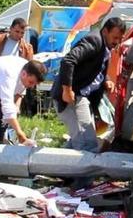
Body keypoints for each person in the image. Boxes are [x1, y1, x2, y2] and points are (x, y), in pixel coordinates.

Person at [51, 17, 126, 152]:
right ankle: (78, 170)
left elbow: (95, 67)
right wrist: (67, 90)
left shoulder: (104, 45)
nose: (117, 42)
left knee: (83, 140)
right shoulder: (95, 41)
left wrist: (106, 79)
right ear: (105, 31)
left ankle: (58, 165)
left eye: (120, 39)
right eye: (115, 37)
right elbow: (68, 61)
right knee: (85, 143)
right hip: (71, 97)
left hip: (80, 97)